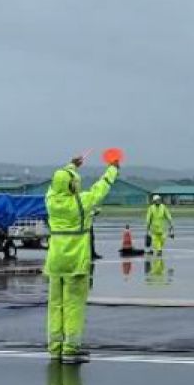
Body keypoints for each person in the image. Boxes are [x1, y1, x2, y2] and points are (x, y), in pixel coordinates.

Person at [45, 154, 119, 364]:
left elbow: (56, 184)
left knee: (55, 304)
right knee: (73, 304)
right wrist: (112, 168)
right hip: (75, 260)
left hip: (55, 259)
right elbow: (101, 188)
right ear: (71, 185)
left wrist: (71, 165)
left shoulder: (50, 199)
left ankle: (54, 347)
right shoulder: (81, 202)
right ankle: (70, 348)